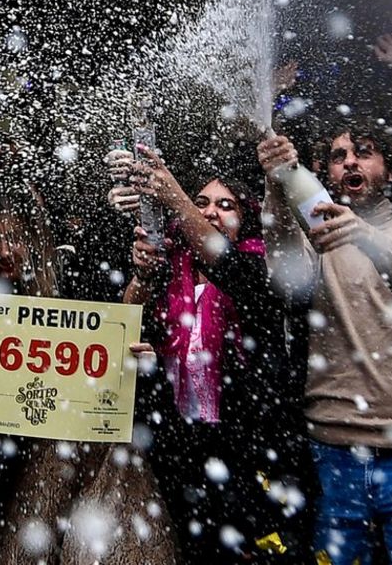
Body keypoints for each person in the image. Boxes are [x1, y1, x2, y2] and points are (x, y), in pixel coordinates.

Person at [257, 126, 392, 565]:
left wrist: (366, 235)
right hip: (335, 450)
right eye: (338, 156)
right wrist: (276, 184)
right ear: (328, 174)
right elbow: (285, 281)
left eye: (364, 152)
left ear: (389, 169)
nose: (350, 161)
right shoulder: (320, 239)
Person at [120, 145, 314, 563]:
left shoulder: (261, 270)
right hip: (180, 448)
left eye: (226, 206)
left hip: (246, 453)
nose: (210, 212)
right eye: (202, 203)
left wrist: (176, 197)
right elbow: (125, 327)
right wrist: (142, 276)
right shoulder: (171, 271)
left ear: (246, 220)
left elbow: (227, 266)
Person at [0, 182, 175, 564]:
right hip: (14, 466)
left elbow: (116, 323)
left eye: (16, 237)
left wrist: (130, 344)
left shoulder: (73, 277)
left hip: (91, 451)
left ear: (36, 236)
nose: (6, 251)